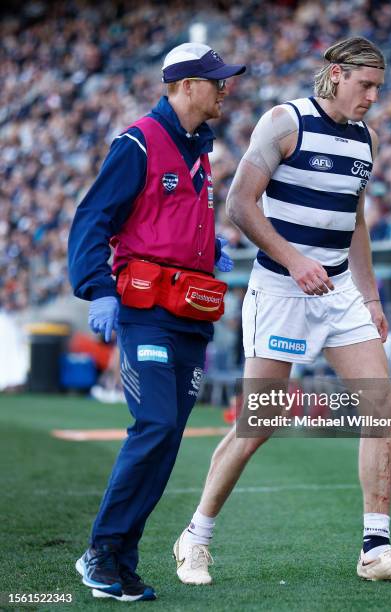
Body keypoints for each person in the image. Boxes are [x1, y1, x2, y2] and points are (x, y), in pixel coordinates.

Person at [174, 37, 391, 584]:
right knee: (262, 421)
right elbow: (239, 205)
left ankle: (376, 548)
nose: (372, 97)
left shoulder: (366, 139)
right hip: (280, 290)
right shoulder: (284, 121)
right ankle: (195, 537)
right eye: (365, 85)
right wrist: (294, 261)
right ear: (337, 74)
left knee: (383, 404)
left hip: (339, 292)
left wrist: (369, 295)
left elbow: (356, 221)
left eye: (378, 88)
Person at [68, 42, 245, 601]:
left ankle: (118, 561)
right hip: (147, 314)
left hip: (190, 314)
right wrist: (98, 289)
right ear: (185, 85)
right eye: (215, 80)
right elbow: (92, 219)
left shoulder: (199, 148)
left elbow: (161, 217)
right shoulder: (138, 141)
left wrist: (205, 246)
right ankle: (100, 552)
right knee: (156, 428)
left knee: (166, 439)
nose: (225, 88)